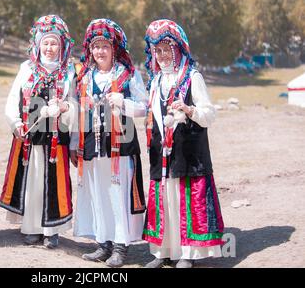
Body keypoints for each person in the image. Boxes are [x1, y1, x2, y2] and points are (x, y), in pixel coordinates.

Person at [142, 19, 225, 268]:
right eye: (157, 50)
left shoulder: (192, 77)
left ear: (177, 49)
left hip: (189, 152)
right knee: (164, 199)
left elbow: (210, 114)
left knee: (186, 199)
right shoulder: (155, 81)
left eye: (166, 49)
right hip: (163, 152)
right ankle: (163, 251)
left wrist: (189, 109)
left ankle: (188, 253)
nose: (162, 55)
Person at [72, 19, 147, 268]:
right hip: (92, 145)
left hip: (120, 146)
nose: (99, 51)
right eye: (95, 46)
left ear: (114, 48)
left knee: (117, 193)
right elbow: (76, 111)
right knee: (98, 193)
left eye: (104, 46)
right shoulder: (85, 76)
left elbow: (144, 107)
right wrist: (74, 142)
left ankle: (120, 246)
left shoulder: (128, 75)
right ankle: (102, 243)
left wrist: (123, 102)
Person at [0, 15, 76, 249]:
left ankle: (51, 230)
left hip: (56, 138)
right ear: (38, 44)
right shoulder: (27, 68)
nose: (50, 48)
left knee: (52, 183)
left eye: (54, 43)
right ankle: (31, 227)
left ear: (61, 45)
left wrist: (65, 107)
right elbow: (13, 99)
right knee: (32, 181)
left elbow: (76, 104)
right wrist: (15, 124)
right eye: (46, 43)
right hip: (29, 137)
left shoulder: (69, 71)